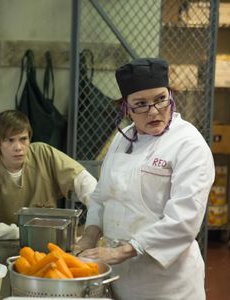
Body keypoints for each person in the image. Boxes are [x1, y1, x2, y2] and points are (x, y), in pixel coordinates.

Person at [73, 58, 215, 300]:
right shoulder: (122, 139)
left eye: (161, 99)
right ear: (126, 109)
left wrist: (125, 251)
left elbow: (184, 220)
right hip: (120, 278)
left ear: (170, 95)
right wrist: (89, 235)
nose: (153, 111)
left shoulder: (189, 144)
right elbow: (102, 195)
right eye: (140, 104)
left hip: (168, 284)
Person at [0, 109, 97, 239]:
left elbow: (83, 180)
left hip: (48, 240)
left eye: (23, 139)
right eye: (10, 140)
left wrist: (97, 218)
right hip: (5, 243)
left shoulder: (43, 154)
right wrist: (23, 232)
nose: (18, 147)